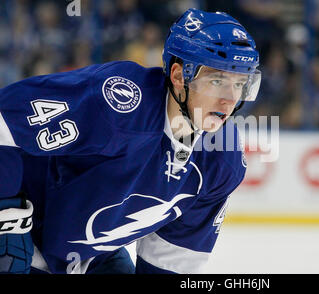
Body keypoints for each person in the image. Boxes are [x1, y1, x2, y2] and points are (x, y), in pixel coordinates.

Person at [0, 8, 261, 274]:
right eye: (217, 80)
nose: (229, 100)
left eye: (240, 84)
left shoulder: (221, 162)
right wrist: (6, 214)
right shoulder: (119, 102)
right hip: (23, 232)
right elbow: (4, 119)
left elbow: (171, 259)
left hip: (88, 258)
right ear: (179, 76)